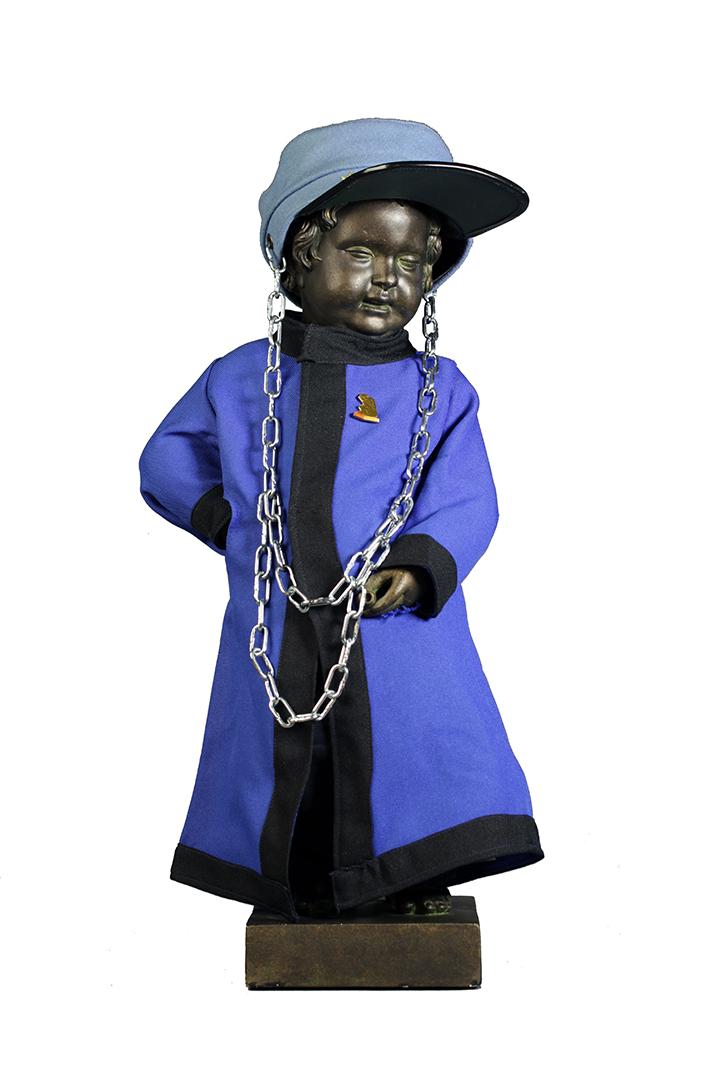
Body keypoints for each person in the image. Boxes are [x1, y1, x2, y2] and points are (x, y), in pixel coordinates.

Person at [139, 118, 544, 922]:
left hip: (398, 631)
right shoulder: (240, 378)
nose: (387, 277)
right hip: (276, 625)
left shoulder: (440, 391)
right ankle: (304, 885)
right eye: (361, 251)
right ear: (300, 254)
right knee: (283, 759)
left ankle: (411, 875)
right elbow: (168, 458)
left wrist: (421, 564)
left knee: (412, 747)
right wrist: (232, 522)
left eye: (411, 260)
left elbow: (469, 496)